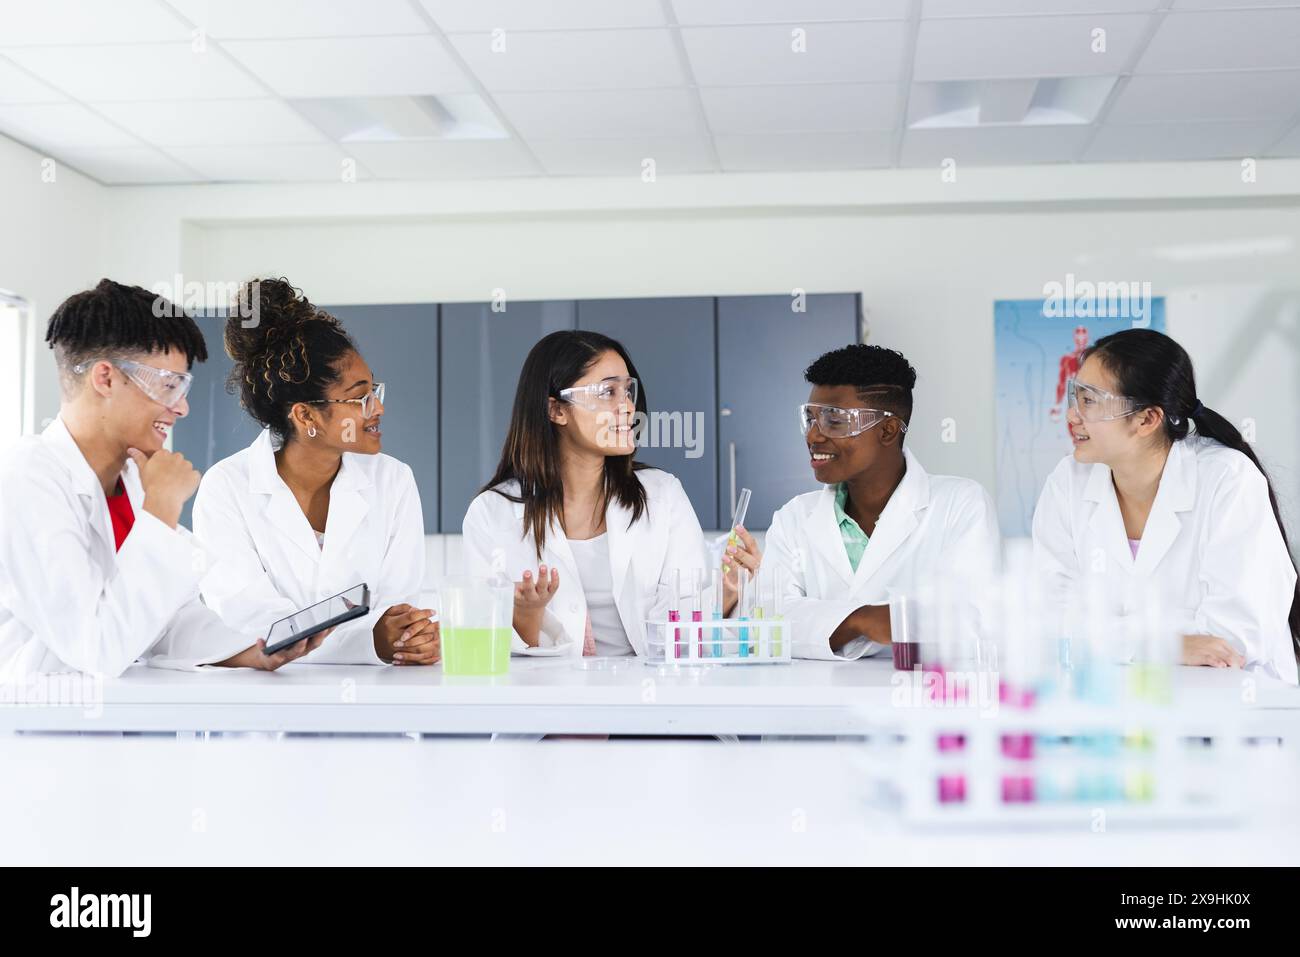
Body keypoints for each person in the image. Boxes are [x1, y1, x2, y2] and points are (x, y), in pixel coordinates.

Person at [0, 279, 325, 677]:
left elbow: (164, 622)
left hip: (110, 723)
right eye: (170, 385)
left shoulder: (130, 480)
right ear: (105, 379)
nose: (182, 407)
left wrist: (251, 651)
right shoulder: (28, 481)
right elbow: (97, 645)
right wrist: (161, 510)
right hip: (32, 728)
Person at [462, 330, 760, 657]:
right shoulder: (491, 513)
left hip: (646, 695)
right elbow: (480, 642)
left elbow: (681, 631)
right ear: (556, 410)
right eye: (607, 392)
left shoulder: (663, 496)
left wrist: (727, 591)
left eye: (628, 391)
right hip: (546, 700)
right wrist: (527, 616)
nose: (628, 407)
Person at [1032, 328, 1299, 683]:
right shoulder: (1068, 482)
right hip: (1120, 707)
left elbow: (1233, 639)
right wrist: (1169, 644)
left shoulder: (1227, 480)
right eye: (1075, 396)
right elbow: (1050, 624)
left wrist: (1107, 637)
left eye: (1090, 400)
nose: (1072, 415)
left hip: (1235, 709)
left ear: (1146, 419)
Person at [193, 278, 437, 665]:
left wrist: (410, 637)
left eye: (375, 391)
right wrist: (371, 642)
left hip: (372, 708)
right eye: (360, 397)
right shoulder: (227, 487)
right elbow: (252, 623)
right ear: (306, 414)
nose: (377, 409)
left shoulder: (392, 480)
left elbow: (397, 613)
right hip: (266, 711)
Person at [763, 344, 1000, 660]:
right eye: (811, 418)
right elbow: (768, 623)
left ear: (888, 430)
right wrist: (864, 620)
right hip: (817, 702)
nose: (813, 436)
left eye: (834, 420)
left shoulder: (959, 505)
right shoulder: (794, 517)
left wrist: (826, 621)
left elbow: (969, 619)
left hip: (923, 701)